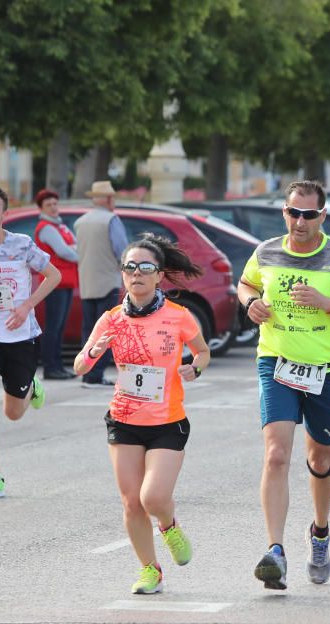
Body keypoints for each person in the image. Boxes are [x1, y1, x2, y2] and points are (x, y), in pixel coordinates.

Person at [239, 181, 330, 589]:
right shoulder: (266, 251)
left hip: (328, 369)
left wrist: (327, 304)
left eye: (308, 215)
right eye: (292, 212)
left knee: (320, 457)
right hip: (277, 363)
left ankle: (319, 532)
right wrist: (250, 302)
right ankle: (275, 551)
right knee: (277, 454)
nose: (299, 222)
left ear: (322, 216)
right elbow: (246, 283)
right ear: (284, 212)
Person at [73, 234, 209, 594]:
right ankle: (150, 570)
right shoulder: (112, 319)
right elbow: (78, 364)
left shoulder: (178, 317)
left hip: (167, 421)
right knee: (132, 502)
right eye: (130, 267)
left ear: (159, 276)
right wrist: (94, 352)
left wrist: (195, 368)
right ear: (122, 274)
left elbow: (202, 352)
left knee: (153, 498)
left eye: (145, 267)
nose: (137, 273)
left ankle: (168, 525)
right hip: (123, 420)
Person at [0, 186, 59, 499]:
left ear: (5, 213)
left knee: (13, 412)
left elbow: (53, 276)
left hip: (21, 336)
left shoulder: (21, 245)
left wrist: (26, 306)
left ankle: (32, 388)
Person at [74, 180, 129, 388]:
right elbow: (122, 251)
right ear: (107, 199)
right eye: (112, 197)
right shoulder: (111, 220)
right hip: (108, 281)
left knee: (89, 330)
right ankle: (96, 375)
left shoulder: (80, 222)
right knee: (107, 330)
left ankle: (87, 371)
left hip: (87, 283)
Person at [34, 188, 79, 379]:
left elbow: (76, 245)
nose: (53, 207)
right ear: (41, 208)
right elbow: (64, 252)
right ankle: (50, 367)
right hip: (54, 283)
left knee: (60, 326)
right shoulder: (46, 228)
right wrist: (78, 254)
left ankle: (58, 366)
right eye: (48, 205)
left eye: (54, 203)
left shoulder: (60, 226)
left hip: (66, 280)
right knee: (53, 326)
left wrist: (74, 249)